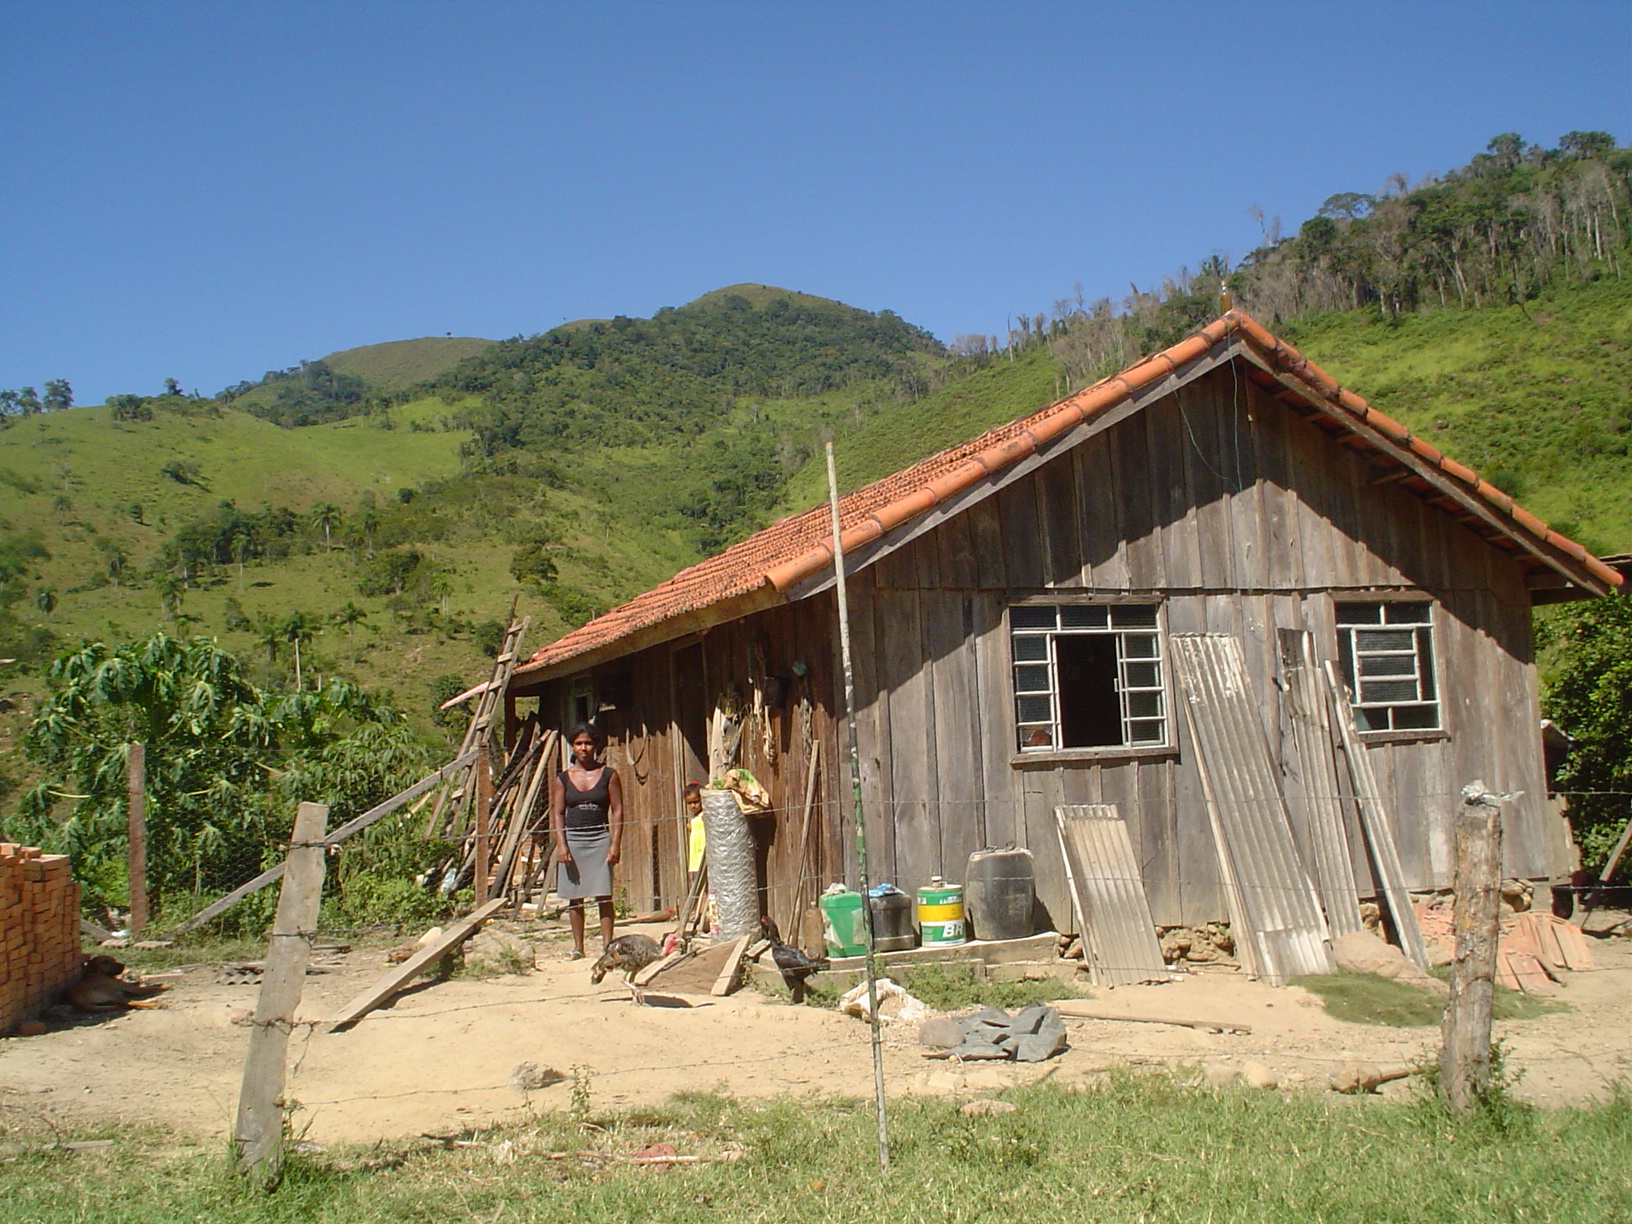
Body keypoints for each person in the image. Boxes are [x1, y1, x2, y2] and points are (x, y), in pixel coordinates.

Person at [549, 723, 623, 959]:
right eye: (579, 743)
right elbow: (558, 813)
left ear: (596, 746)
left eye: (588, 743)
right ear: (572, 746)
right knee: (575, 895)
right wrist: (561, 845)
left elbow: (618, 810)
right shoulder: (563, 778)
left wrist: (615, 844)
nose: (584, 748)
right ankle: (578, 947)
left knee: (603, 894)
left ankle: (607, 946)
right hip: (573, 840)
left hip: (599, 839)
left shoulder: (609, 775)